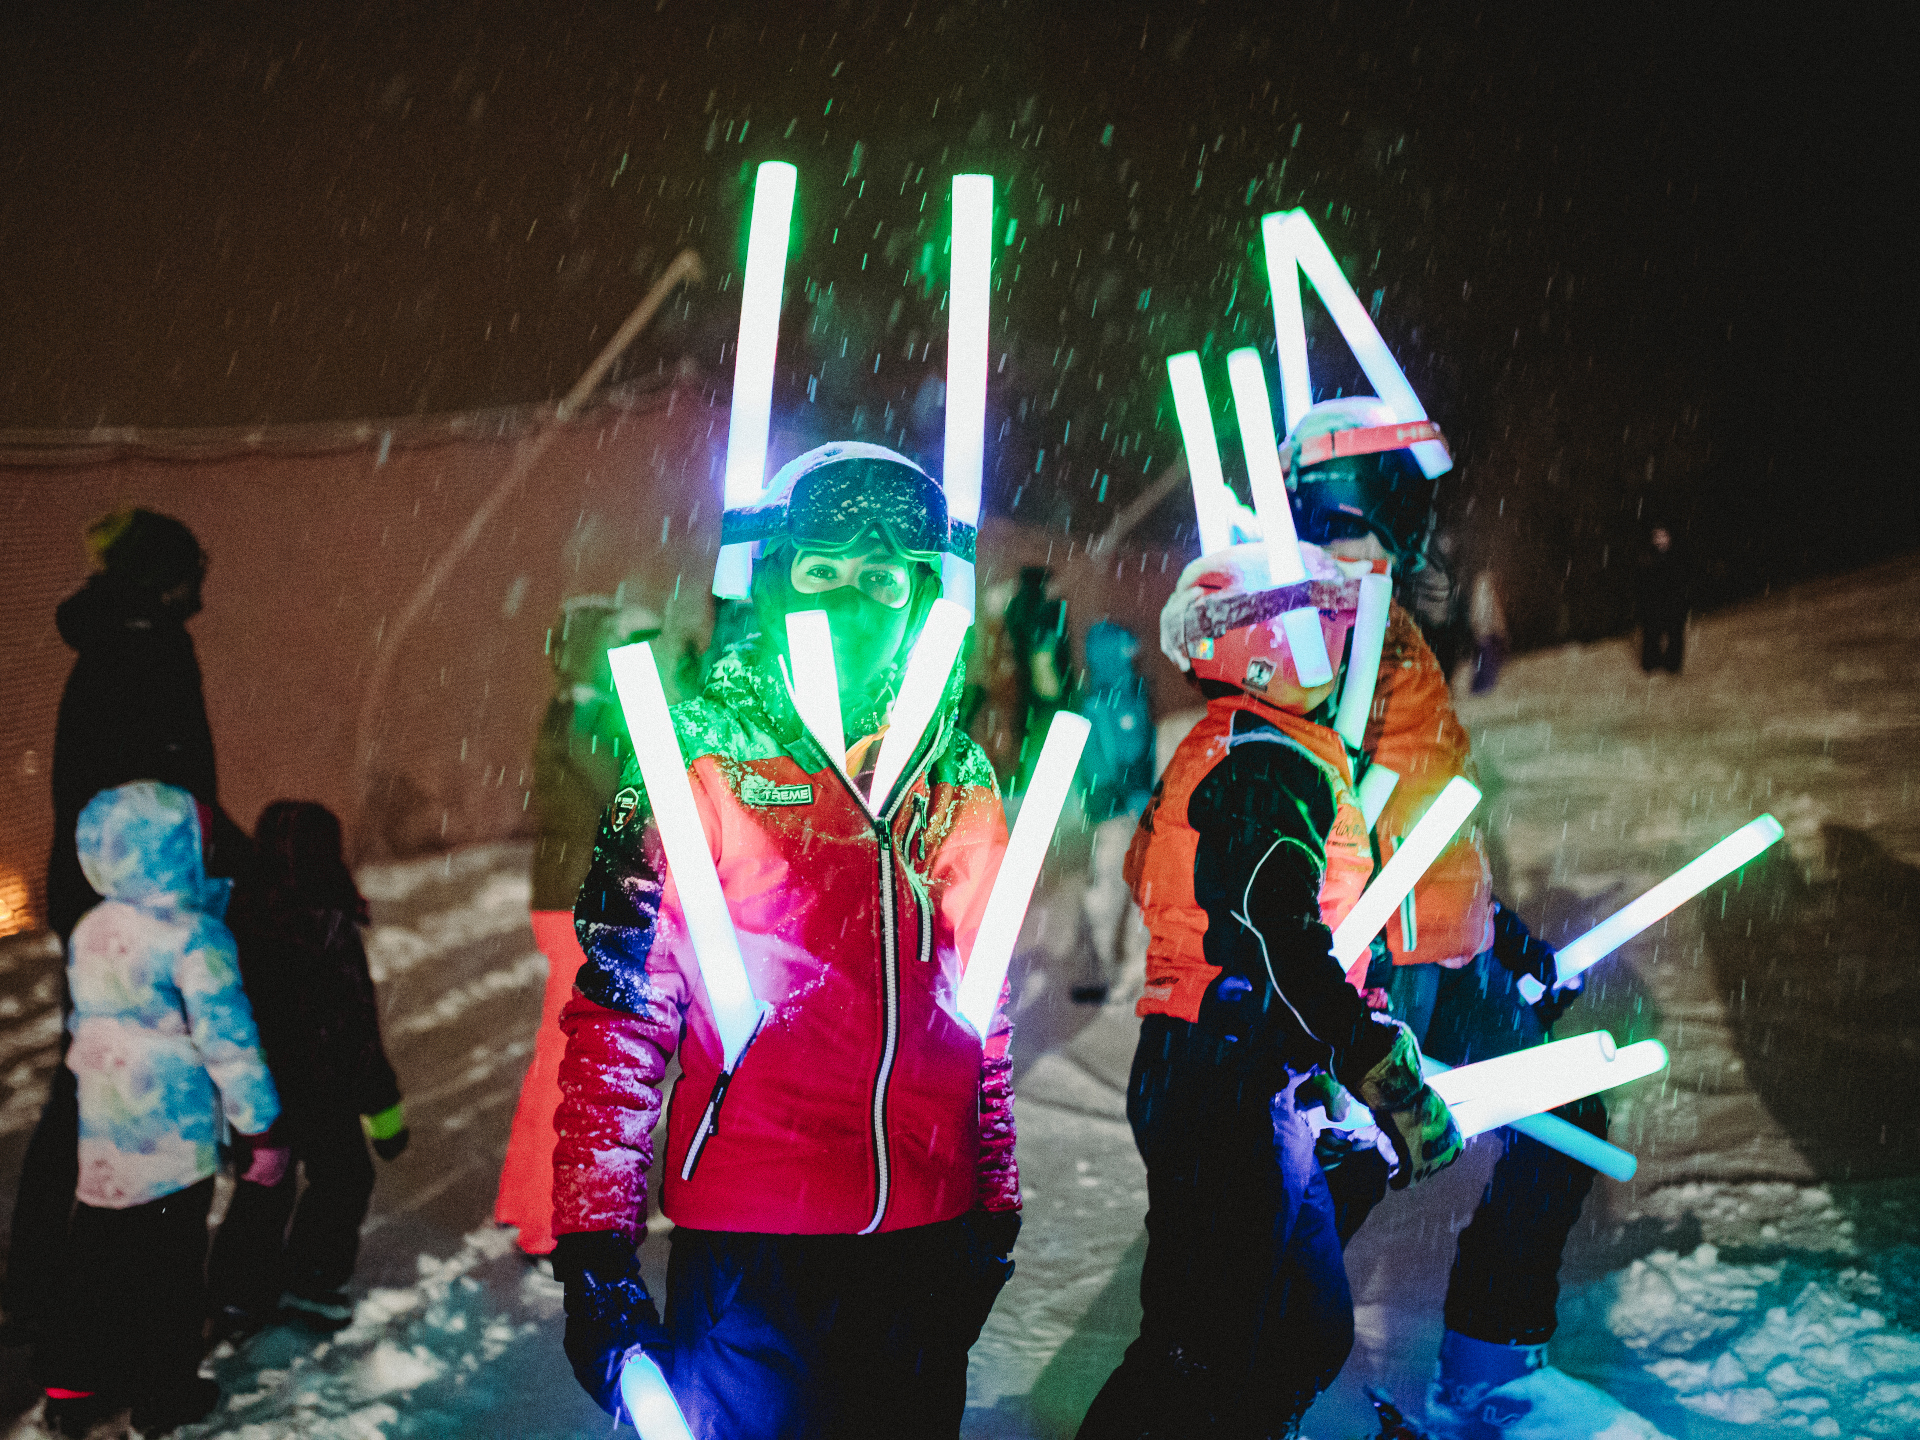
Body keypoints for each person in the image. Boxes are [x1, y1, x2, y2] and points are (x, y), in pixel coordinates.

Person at [549, 442, 1019, 1438]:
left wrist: (995, 1196)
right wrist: (597, 1246)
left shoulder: (960, 777)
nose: (855, 601)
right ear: (770, 581)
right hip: (754, 1249)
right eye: (822, 572)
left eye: (886, 578)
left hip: (922, 1241)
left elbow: (984, 1002)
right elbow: (621, 1016)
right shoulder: (695, 755)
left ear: (923, 595)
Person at [1282, 398, 1622, 1437]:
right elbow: (1316, 823)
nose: (1360, 549)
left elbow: (1431, 818)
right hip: (1372, 970)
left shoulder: (1400, 641)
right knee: (1340, 1184)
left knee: (1565, 1125)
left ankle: (1491, 1365)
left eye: (1375, 526)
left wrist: (1503, 934)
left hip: (1453, 958)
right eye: (1336, 525)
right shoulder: (1310, 640)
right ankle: (1278, 1392)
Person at [1077, 540, 1464, 1439]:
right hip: (1223, 1074)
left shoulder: (1252, 747)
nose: (1339, 651)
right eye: (1324, 626)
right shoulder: (1264, 766)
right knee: (1200, 1345)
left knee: (1298, 1321)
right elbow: (1278, 937)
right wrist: (1371, 1060)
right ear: (1267, 644)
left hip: (1238, 1071)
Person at [3, 508, 249, 1344]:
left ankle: (53, 1279)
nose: (201, 599)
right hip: (137, 902)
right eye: (192, 579)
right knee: (123, 1083)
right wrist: (223, 863)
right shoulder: (149, 650)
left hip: (98, 894)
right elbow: (172, 783)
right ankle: (120, 1297)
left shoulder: (114, 643)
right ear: (165, 579)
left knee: (94, 1072)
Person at [35, 782, 284, 1437]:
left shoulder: (92, 928)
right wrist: (260, 1124)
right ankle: (164, 1391)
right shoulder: (196, 938)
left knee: (97, 1252)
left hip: (105, 1131)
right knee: (170, 1269)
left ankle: (72, 1377)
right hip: (172, 1142)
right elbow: (229, 1041)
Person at [494, 597, 660, 1259]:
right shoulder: (590, 716)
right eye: (620, 640)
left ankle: (521, 1199)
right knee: (571, 1062)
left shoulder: (570, 707)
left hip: (560, 898)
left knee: (552, 1056)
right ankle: (543, 1221)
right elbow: (628, 800)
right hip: (579, 906)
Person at [207, 802, 408, 1335]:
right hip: (320, 1084)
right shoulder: (326, 922)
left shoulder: (240, 915)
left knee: (265, 1182)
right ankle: (310, 1278)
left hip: (257, 1082)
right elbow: (354, 1025)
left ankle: (236, 1292)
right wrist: (384, 1110)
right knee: (343, 1176)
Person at [1075, 621, 1156, 1001]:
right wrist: (1126, 795)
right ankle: (1112, 972)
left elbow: (1138, 749)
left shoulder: (1130, 694)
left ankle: (1125, 973)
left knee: (1132, 891)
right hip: (1114, 811)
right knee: (1109, 892)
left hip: (1128, 808)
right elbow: (1106, 758)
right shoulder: (1100, 701)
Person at [1002, 565, 1071, 793]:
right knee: (1040, 739)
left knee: (1029, 738)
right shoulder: (1047, 609)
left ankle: (1022, 784)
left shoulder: (1020, 607)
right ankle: (1031, 786)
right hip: (1045, 690)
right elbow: (1056, 652)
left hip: (1031, 690)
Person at [1637, 525, 1686, 674]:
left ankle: (1673, 665)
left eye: (1663, 536)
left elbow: (1683, 579)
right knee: (1651, 634)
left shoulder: (1677, 556)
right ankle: (1651, 663)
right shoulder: (1647, 557)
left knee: (1675, 634)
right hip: (1653, 602)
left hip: (1673, 601)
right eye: (1657, 537)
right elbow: (1642, 581)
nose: (1660, 540)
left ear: (1669, 538)